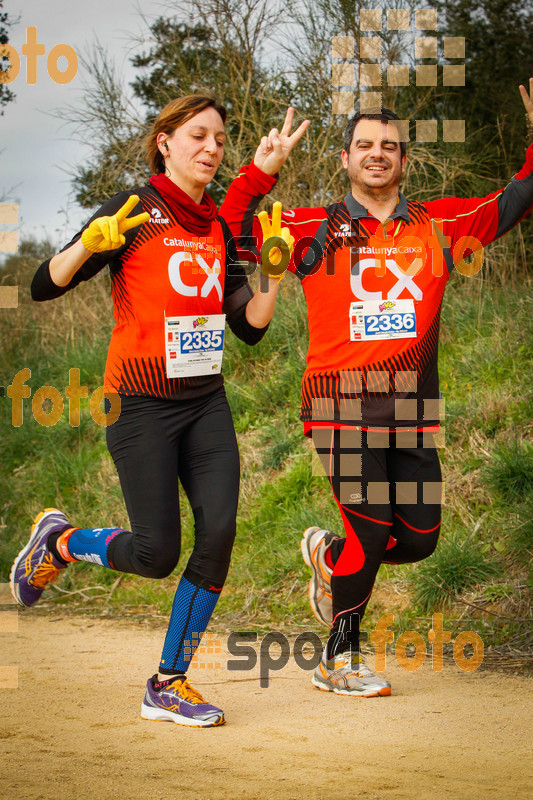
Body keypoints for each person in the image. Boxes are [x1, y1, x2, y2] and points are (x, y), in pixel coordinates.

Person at [220, 81, 533, 697]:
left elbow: (519, 195)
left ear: (404, 161)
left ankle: (329, 559)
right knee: (369, 529)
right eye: (364, 144)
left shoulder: (441, 223)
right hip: (338, 405)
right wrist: (259, 174)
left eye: (389, 146)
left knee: (417, 539)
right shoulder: (306, 226)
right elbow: (226, 229)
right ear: (345, 158)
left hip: (413, 410)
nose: (377, 154)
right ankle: (339, 659)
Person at [9, 94, 306, 726]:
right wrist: (88, 246)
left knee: (219, 533)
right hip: (138, 405)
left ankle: (169, 682)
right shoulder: (131, 211)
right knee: (156, 554)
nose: (211, 149)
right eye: (197, 136)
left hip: (205, 404)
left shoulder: (220, 228)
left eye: (220, 140)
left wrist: (273, 275)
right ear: (164, 142)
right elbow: (42, 285)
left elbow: (250, 326)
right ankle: (60, 543)